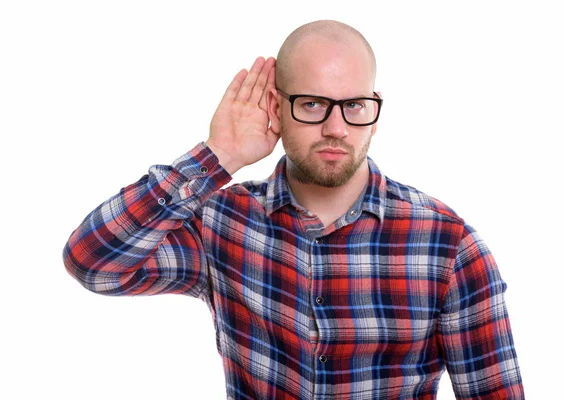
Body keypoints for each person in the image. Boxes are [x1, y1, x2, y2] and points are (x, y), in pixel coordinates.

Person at [63, 19, 524, 399]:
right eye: (312, 104)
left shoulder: (448, 246)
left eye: (355, 106)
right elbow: (94, 264)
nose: (336, 128)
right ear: (276, 108)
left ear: (375, 111)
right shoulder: (223, 222)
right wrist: (218, 156)